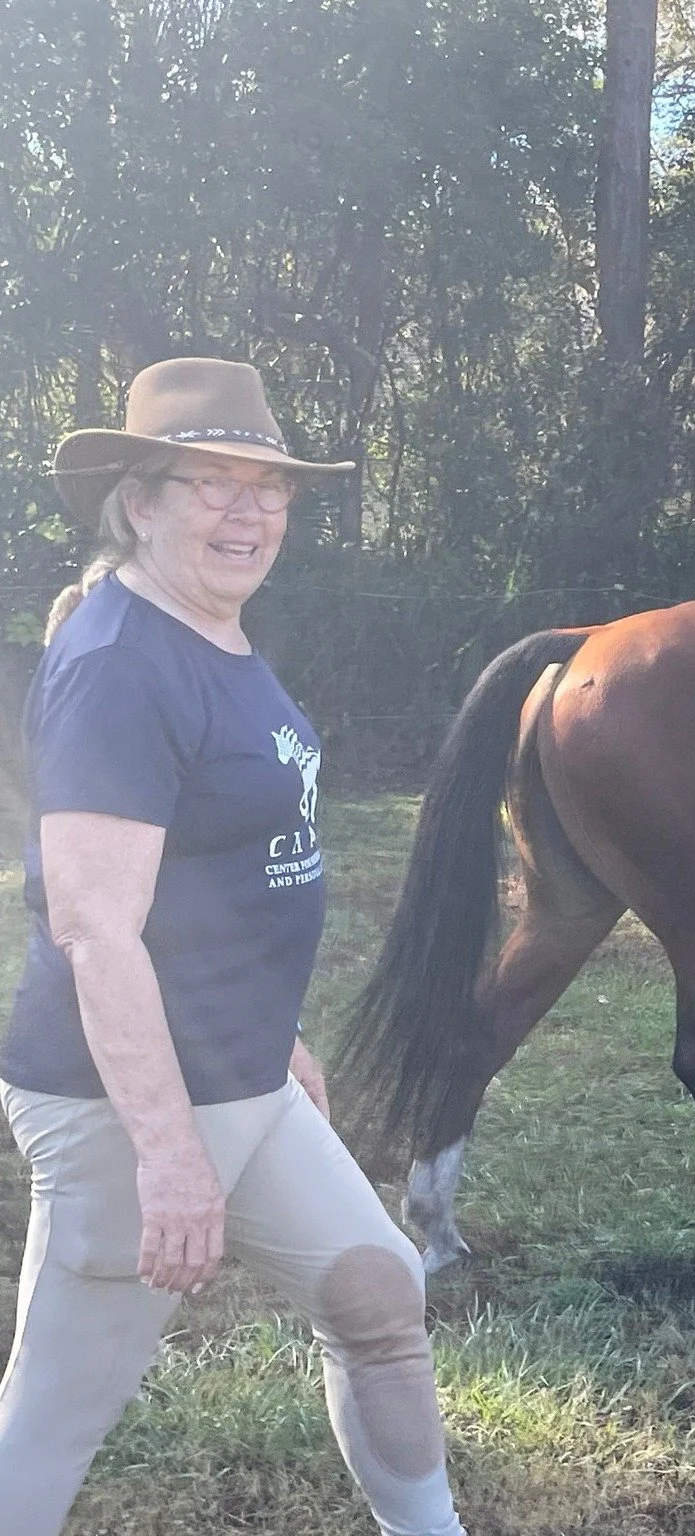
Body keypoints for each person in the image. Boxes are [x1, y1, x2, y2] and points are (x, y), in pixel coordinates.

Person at [0, 357, 466, 1536]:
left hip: (236, 1074)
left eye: (270, 487)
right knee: (53, 1418)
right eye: (211, 482)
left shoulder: (206, 632)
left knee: (378, 1297)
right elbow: (97, 927)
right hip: (122, 1101)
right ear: (139, 502)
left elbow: (216, 878)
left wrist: (275, 1037)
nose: (248, 510)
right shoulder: (119, 665)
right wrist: (166, 1157)